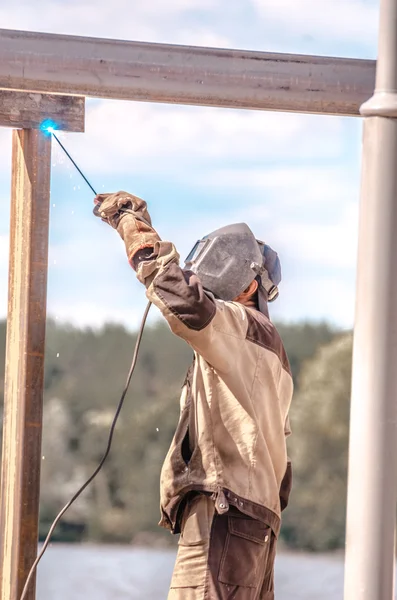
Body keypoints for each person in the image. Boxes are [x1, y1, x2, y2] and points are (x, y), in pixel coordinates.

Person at [94, 191, 293, 600]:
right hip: (252, 522)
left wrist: (132, 224)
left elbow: (182, 299)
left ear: (248, 284)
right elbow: (282, 474)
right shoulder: (266, 351)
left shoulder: (242, 326)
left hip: (226, 513)